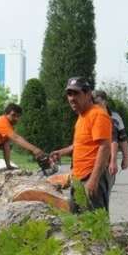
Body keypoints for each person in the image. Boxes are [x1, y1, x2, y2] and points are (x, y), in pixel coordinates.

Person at [50, 77, 112, 213]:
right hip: (78, 177)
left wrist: (94, 180)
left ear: (88, 94)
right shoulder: (82, 116)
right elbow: (80, 144)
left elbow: (105, 147)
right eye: (69, 94)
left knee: (95, 226)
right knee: (77, 224)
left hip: (91, 177)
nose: (72, 98)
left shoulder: (98, 115)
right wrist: (61, 152)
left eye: (76, 93)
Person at [92, 90, 128, 196]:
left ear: (105, 102)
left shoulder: (114, 117)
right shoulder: (90, 116)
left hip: (106, 162)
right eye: (93, 102)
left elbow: (120, 139)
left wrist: (125, 158)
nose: (95, 105)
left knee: (103, 193)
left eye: (98, 102)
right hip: (90, 159)